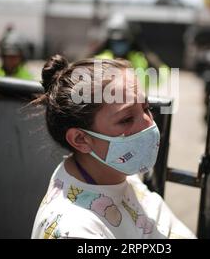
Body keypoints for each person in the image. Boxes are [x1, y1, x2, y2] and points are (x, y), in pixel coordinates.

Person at [30, 54, 195, 239]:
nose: (148, 124)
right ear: (80, 139)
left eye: (146, 108)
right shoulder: (75, 230)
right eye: (126, 119)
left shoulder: (115, 174)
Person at [93, 13, 169, 92]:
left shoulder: (141, 61)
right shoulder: (101, 61)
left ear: (131, 40)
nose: (118, 44)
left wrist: (153, 60)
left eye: (123, 40)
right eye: (115, 41)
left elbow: (161, 78)